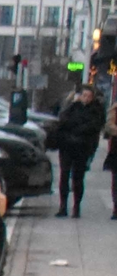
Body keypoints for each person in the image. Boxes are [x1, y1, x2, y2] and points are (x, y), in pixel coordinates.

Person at [47, 87, 104, 216]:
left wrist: (77, 128)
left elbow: (93, 126)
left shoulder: (95, 110)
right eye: (84, 95)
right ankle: (63, 206)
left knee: (78, 177)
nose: (86, 98)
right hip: (67, 146)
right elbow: (63, 121)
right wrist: (71, 104)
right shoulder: (72, 107)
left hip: (83, 147)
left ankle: (76, 207)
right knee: (64, 175)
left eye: (89, 96)